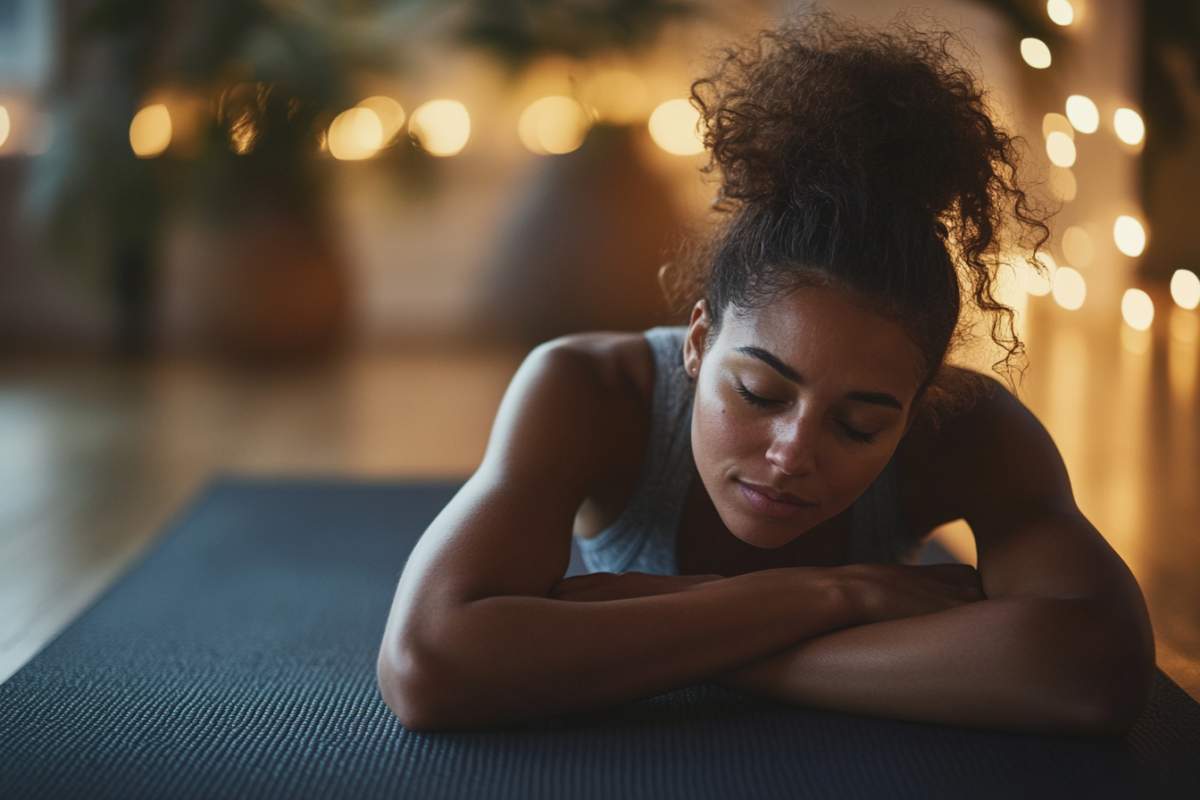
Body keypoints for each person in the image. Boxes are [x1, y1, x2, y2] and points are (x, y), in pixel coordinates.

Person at [376, 11, 1155, 736]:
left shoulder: (971, 426)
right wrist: (837, 596)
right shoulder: (588, 389)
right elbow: (430, 664)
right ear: (698, 341)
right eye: (759, 392)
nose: (791, 453)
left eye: (860, 423)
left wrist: (669, 634)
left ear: (920, 406)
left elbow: (1097, 668)